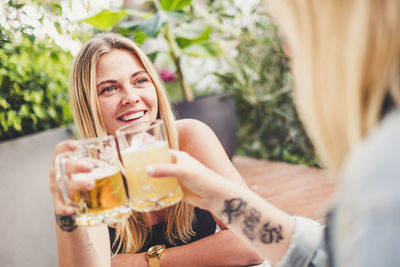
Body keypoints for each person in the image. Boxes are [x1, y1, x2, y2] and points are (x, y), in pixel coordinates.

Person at [148, 0, 400, 266]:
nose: (287, 51)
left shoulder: (383, 177)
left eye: (289, 34)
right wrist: (217, 196)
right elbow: (324, 252)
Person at [48, 32, 264, 267]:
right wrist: (66, 216)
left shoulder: (189, 138)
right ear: (88, 105)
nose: (131, 97)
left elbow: (255, 240)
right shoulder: (93, 172)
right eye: (109, 89)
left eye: (140, 80)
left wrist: (141, 262)